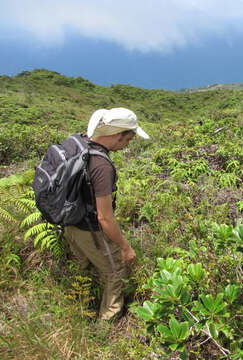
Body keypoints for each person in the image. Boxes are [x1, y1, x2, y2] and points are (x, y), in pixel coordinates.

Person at [64, 107, 149, 320]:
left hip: (70, 224)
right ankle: (107, 325)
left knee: (82, 267)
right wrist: (125, 247)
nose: (128, 144)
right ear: (116, 135)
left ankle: (78, 308)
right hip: (90, 230)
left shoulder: (79, 142)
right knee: (117, 272)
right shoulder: (102, 166)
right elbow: (105, 217)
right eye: (128, 139)